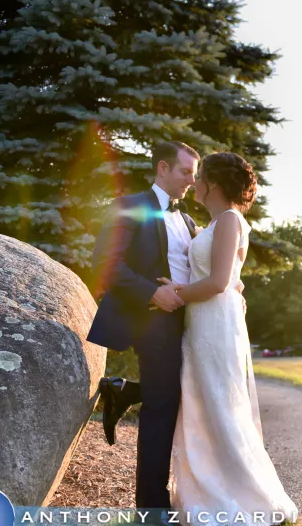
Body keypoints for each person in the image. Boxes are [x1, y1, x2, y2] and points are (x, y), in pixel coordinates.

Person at [162, 152, 298, 525]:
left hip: (212, 321)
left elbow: (219, 282)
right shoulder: (219, 222)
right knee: (204, 401)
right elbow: (234, 281)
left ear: (214, 184)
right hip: (208, 319)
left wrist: (175, 292)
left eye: (199, 175)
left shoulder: (228, 220)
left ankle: (240, 494)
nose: (194, 183)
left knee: (220, 404)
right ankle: (206, 487)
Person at [87, 141, 201, 513]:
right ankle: (152, 508)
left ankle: (122, 391)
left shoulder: (187, 220)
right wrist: (153, 294)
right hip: (151, 320)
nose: (191, 181)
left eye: (195, 175)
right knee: (162, 409)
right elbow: (106, 263)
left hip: (190, 324)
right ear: (163, 168)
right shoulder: (130, 206)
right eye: (186, 172)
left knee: (177, 395)